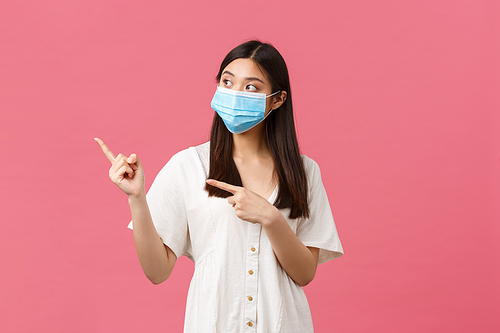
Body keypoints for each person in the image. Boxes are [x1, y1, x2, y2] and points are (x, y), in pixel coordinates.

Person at [96, 40, 343, 332]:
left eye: (251, 87)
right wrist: (137, 198)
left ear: (277, 100)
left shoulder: (304, 172)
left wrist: (271, 218)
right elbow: (157, 271)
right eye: (227, 82)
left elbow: (304, 274)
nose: (235, 94)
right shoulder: (188, 165)